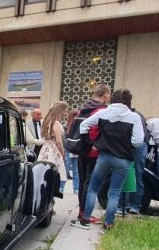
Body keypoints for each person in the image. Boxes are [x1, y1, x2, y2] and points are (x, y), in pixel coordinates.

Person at [71, 88, 144, 234]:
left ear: (113, 98)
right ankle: (108, 224)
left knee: (93, 188)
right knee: (115, 192)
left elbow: (84, 125)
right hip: (123, 159)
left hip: (104, 156)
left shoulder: (104, 112)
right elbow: (138, 141)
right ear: (129, 100)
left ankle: (85, 220)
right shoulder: (134, 117)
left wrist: (92, 142)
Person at [69, 83, 111, 224]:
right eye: (108, 96)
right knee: (91, 184)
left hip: (82, 150)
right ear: (105, 95)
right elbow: (94, 130)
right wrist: (94, 145)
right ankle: (86, 214)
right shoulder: (100, 110)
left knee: (83, 182)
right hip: (93, 154)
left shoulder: (83, 109)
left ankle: (82, 211)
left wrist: (86, 145)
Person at [37, 102, 69, 191]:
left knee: (44, 174)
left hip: (44, 149)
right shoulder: (56, 123)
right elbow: (59, 141)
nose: (65, 114)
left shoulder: (45, 121)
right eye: (65, 111)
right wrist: (62, 152)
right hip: (54, 150)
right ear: (60, 111)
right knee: (58, 176)